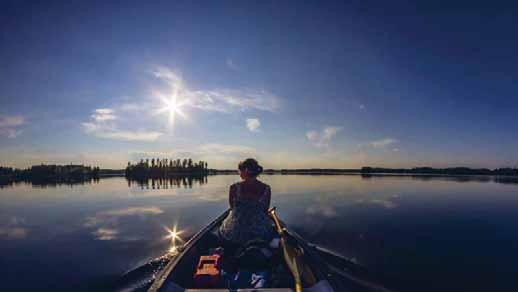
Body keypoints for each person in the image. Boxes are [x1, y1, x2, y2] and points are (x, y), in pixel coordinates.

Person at [219, 158, 274, 246]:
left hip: (235, 230)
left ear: (245, 171)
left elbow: (232, 208)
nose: (239, 173)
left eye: (240, 171)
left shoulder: (234, 187)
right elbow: (265, 209)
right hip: (259, 229)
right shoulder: (266, 188)